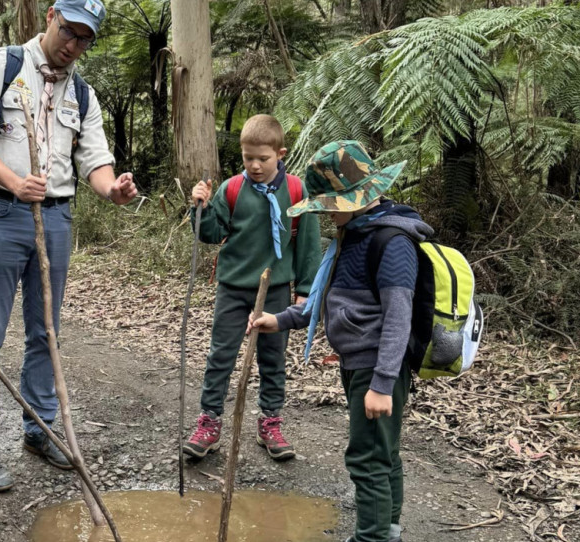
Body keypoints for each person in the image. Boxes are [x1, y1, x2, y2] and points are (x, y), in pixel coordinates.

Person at [0, 0, 138, 491]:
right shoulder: (2, 64)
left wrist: (112, 190)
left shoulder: (82, 91)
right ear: (52, 16)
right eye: (70, 31)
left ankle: (39, 430)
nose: (74, 45)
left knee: (46, 332)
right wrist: (15, 182)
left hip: (56, 217)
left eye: (85, 39)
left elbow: (94, 161)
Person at [249, 140, 431, 542]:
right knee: (383, 453)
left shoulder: (391, 241)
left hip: (377, 366)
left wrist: (382, 384)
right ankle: (388, 531)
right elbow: (324, 300)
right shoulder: (351, 234)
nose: (327, 211)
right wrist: (278, 320)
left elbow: (399, 318)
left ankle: (372, 537)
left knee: (368, 458)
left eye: (332, 203)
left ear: (361, 196)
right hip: (357, 363)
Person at [181, 114, 322, 462]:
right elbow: (210, 234)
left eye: (263, 158)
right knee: (221, 356)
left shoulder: (296, 190)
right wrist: (198, 205)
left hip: (275, 289)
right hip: (233, 286)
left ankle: (270, 423)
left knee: (273, 360)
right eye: (248, 158)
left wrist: (305, 291)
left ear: (280, 153)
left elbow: (308, 243)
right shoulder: (232, 189)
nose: (255, 165)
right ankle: (209, 423)